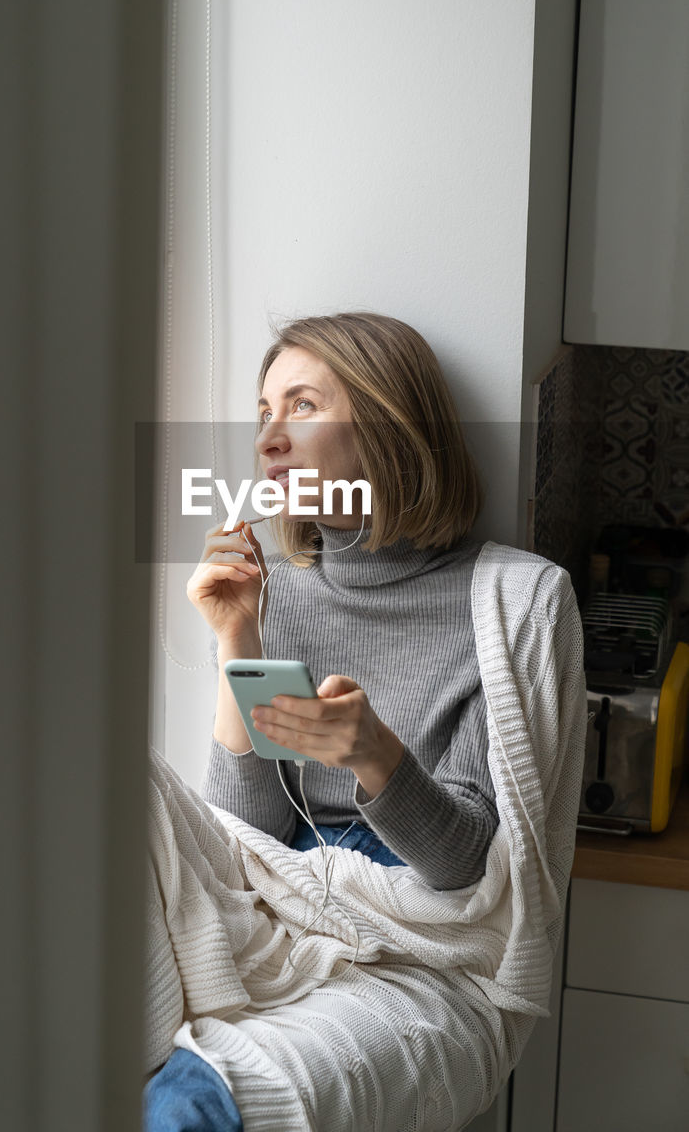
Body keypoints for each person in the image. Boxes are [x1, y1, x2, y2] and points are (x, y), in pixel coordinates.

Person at [144, 311, 586, 1131]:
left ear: (387, 424)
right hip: (276, 896)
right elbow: (246, 832)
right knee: (105, 775)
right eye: (263, 413)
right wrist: (238, 636)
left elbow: (467, 874)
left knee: (195, 1100)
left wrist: (377, 757)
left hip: (418, 943)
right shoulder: (269, 580)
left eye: (302, 406)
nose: (269, 437)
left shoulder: (515, 603)